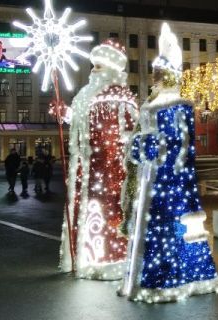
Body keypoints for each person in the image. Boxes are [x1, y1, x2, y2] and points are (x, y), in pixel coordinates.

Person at [119, 23, 218, 302]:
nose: (153, 78)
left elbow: (176, 146)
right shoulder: (157, 105)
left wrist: (141, 145)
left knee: (166, 231)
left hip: (166, 184)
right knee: (159, 231)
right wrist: (138, 144)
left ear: (166, 75)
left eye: (156, 73)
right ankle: (158, 279)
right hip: (154, 181)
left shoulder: (175, 107)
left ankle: (164, 281)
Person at [57, 40, 138, 279]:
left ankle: (108, 261)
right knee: (88, 212)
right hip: (89, 170)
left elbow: (120, 133)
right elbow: (86, 124)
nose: (94, 70)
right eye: (93, 65)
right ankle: (86, 258)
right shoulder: (89, 94)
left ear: (113, 67)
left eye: (99, 66)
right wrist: (66, 113)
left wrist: (110, 162)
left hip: (108, 171)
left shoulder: (118, 97)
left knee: (104, 214)